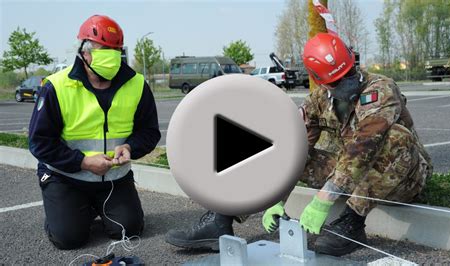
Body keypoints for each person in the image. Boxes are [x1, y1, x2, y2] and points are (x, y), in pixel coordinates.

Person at [165, 33, 432, 256]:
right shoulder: (319, 100)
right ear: (321, 81)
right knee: (277, 144)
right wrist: (275, 196)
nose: (348, 81)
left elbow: (363, 146)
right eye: (338, 80)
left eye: (350, 72)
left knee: (395, 138)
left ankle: (352, 222)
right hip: (350, 174)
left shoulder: (380, 90)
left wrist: (323, 201)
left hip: (402, 177)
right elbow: (292, 146)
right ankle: (220, 220)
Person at [29, 15, 160, 250]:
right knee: (68, 238)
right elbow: (39, 143)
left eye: (115, 50)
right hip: (66, 178)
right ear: (84, 53)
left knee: (128, 230)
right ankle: (69, 211)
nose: (111, 57)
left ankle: (91, 207)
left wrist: (131, 147)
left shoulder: (137, 84)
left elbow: (149, 132)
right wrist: (83, 162)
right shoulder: (56, 86)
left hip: (114, 178)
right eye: (104, 50)